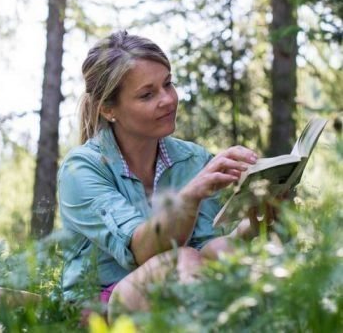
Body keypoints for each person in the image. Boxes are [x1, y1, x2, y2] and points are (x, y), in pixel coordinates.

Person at [58, 30, 260, 320]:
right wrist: (190, 196)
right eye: (147, 94)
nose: (168, 99)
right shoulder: (81, 169)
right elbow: (143, 251)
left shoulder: (193, 159)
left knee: (222, 249)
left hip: (181, 286)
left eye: (168, 84)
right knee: (182, 258)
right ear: (108, 109)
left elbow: (205, 248)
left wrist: (249, 227)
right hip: (101, 305)